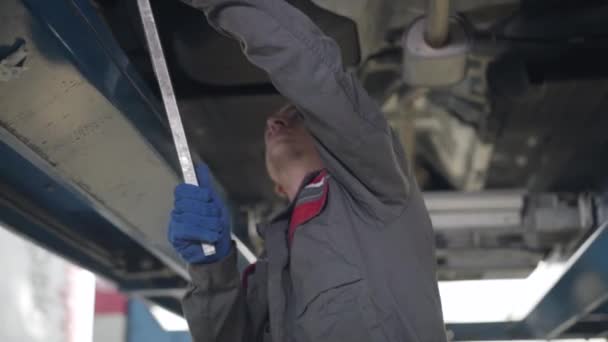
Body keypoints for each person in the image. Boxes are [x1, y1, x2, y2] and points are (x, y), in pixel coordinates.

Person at [167, 0, 447, 341]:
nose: (275, 121)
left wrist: (211, 273)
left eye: (298, 115)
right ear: (278, 188)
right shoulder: (273, 268)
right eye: (286, 117)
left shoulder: (376, 189)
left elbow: (224, 338)